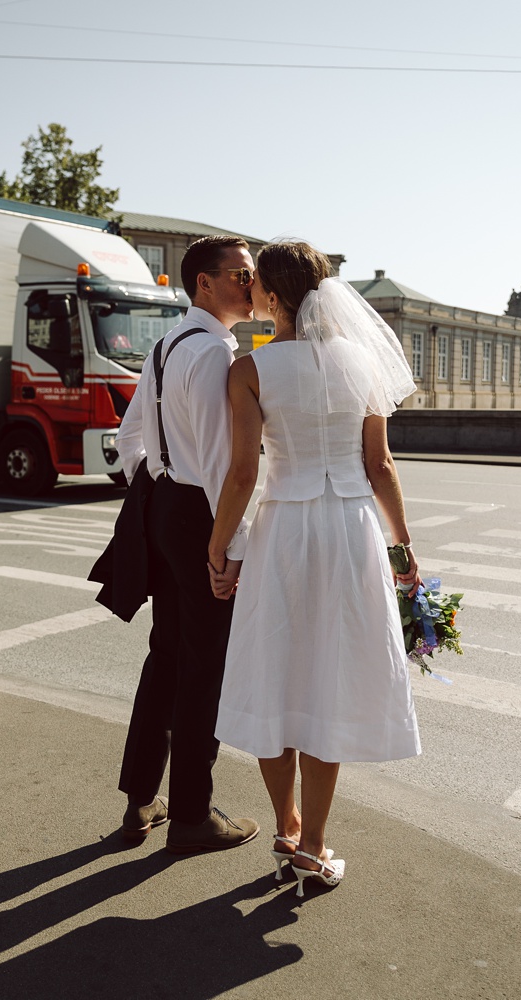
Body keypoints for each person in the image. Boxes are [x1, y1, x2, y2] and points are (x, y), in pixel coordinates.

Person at [209, 241, 421, 897]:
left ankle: (285, 824)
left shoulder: (251, 369)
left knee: (278, 673)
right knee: (329, 678)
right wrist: (403, 544)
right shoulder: (361, 362)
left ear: (270, 296)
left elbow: (245, 473)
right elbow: (380, 466)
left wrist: (220, 547)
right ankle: (316, 844)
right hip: (351, 529)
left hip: (286, 529)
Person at [112, 234, 260, 853]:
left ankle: (142, 797)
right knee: (204, 669)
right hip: (202, 513)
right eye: (241, 274)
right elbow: (228, 465)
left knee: (167, 654)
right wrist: (231, 546)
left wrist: (156, 484)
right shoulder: (217, 355)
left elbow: (130, 438)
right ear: (204, 282)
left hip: (167, 506)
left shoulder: (166, 345)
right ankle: (194, 815)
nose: (252, 285)